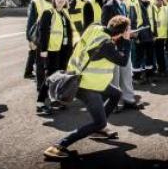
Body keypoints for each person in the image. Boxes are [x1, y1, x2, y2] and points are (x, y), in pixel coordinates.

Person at [43, 16, 133, 159]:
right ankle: (58, 146)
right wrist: (127, 41)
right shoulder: (106, 45)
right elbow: (122, 61)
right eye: (127, 30)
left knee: (116, 94)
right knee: (99, 121)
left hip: (81, 77)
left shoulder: (95, 28)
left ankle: (99, 130)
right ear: (121, 33)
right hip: (87, 86)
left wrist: (120, 37)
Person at [102, 0, 143, 111]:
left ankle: (129, 100)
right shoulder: (108, 6)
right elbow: (106, 28)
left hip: (125, 44)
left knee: (126, 74)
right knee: (115, 76)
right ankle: (113, 104)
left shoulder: (123, 5)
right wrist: (120, 36)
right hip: (115, 46)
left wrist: (129, 33)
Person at [36, 0, 76, 115]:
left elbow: (69, 33)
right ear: (54, 0)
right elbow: (43, 31)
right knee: (51, 76)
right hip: (52, 49)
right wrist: (43, 49)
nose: (61, 0)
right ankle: (41, 103)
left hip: (64, 50)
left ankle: (55, 99)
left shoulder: (65, 13)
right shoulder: (49, 12)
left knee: (61, 75)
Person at [132, 0, 155, 83]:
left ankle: (148, 76)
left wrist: (155, 34)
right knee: (138, 57)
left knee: (149, 57)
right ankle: (136, 78)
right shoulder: (135, 5)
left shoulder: (150, 5)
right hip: (140, 36)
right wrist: (135, 36)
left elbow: (153, 20)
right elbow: (133, 21)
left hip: (149, 35)